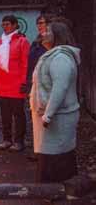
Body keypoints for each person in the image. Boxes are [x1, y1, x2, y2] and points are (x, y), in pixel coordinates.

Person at [30, 21, 80, 182]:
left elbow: (60, 87)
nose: (43, 34)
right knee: (50, 155)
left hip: (58, 117)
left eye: (47, 31)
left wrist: (48, 115)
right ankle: (49, 190)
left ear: (57, 35)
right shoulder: (53, 55)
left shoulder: (61, 58)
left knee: (57, 156)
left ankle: (54, 191)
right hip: (51, 117)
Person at [0, 15, 30, 152]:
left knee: (18, 114)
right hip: (1, 83)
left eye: (7, 24)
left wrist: (24, 82)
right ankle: (6, 139)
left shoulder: (22, 41)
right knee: (4, 113)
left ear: (15, 25)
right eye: (3, 24)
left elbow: (25, 63)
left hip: (17, 83)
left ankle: (19, 141)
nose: (5, 27)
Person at [27, 14, 56, 91]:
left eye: (41, 23)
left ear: (49, 24)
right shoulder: (36, 42)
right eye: (37, 24)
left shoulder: (54, 41)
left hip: (49, 80)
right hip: (36, 79)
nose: (39, 26)